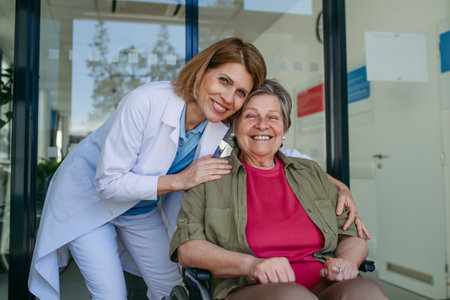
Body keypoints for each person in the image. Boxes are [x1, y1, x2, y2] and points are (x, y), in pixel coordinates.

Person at [29, 36, 363, 299]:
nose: (227, 97)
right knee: (111, 293)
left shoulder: (220, 123)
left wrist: (335, 184)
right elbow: (108, 183)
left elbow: (272, 145)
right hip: (90, 201)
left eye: (240, 92)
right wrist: (180, 180)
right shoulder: (144, 102)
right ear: (203, 70)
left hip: (137, 210)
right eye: (223, 80)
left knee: (173, 287)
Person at [170, 80, 387, 300]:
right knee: (292, 297)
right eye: (251, 116)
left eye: (273, 117)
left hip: (325, 284)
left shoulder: (310, 172)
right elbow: (187, 249)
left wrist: (347, 263)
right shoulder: (209, 176)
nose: (262, 125)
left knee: (367, 292)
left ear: (283, 128)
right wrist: (252, 265)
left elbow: (351, 235)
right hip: (248, 287)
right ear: (234, 127)